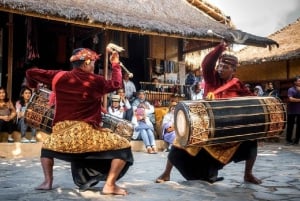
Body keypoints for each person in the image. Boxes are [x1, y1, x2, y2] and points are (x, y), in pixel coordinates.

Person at [26, 48, 133, 195]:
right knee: (124, 147)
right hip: (86, 135)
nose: (94, 66)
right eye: (93, 63)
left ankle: (47, 181)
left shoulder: (58, 76)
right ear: (86, 63)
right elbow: (116, 84)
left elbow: (30, 73)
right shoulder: (96, 81)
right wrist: (115, 64)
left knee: (46, 147)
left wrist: (34, 87)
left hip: (60, 137)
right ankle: (109, 184)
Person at [155, 41, 262, 185]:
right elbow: (206, 64)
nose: (221, 69)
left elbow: (251, 99)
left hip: (228, 129)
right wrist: (220, 48)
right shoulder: (212, 79)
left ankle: (248, 174)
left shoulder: (238, 84)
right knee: (180, 139)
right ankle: (166, 173)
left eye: (226, 67)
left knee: (251, 139)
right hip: (207, 124)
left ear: (233, 70)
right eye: (220, 66)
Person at [285, 76, 300, 145]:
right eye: (299, 81)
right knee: (290, 126)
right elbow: (290, 99)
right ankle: (288, 140)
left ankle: (296, 140)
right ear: (295, 82)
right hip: (292, 111)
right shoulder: (291, 89)